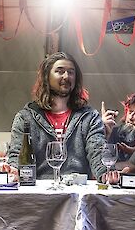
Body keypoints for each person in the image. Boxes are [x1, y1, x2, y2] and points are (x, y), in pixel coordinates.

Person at [8, 52, 107, 181]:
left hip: (77, 191)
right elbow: (17, 154)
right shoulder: (26, 117)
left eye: (71, 72)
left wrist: (105, 173)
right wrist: (13, 170)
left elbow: (97, 150)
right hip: (40, 193)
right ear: (46, 77)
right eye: (60, 71)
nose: (66, 76)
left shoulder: (89, 117)